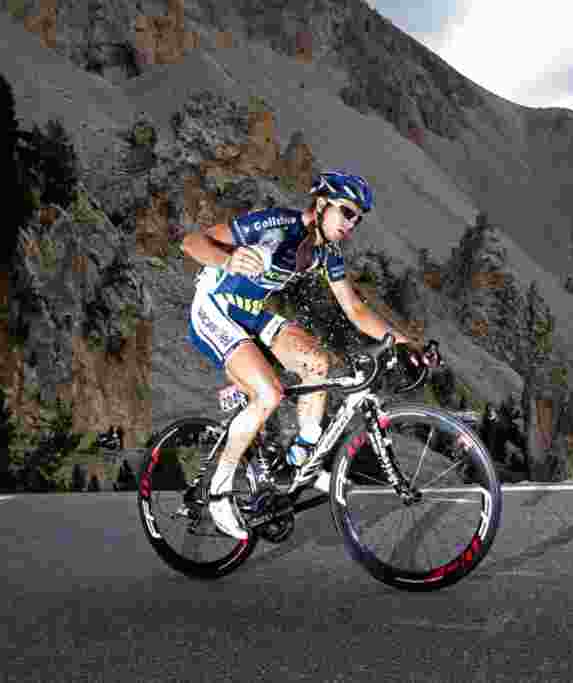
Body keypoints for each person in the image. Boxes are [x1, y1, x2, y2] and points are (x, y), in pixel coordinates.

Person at [181, 171, 439, 539]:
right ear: (321, 204)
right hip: (214, 307)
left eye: (357, 219)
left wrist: (407, 343)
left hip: (249, 312)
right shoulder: (277, 224)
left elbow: (355, 310)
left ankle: (300, 459)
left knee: (318, 363)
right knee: (269, 393)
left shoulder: (326, 253)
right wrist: (228, 260)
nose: (351, 224)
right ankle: (218, 493)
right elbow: (192, 243)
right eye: (346, 212)